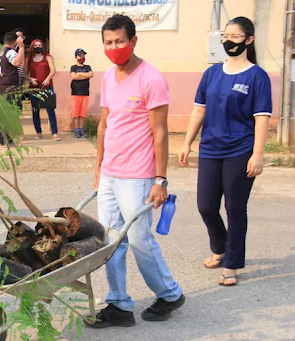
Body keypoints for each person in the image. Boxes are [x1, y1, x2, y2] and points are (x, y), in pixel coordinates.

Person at [89, 14, 184, 329]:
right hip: (110, 174)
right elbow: (105, 125)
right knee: (109, 241)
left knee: (140, 240)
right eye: (108, 42)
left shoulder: (151, 79)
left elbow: (160, 132)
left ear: (133, 41)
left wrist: (160, 179)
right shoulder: (107, 77)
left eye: (119, 41)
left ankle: (169, 294)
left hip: (138, 175)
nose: (114, 47)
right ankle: (118, 304)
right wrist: (99, 167)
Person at [179, 17, 272, 287]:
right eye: (226, 36)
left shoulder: (257, 76)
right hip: (210, 148)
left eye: (235, 36)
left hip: (241, 150)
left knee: (235, 207)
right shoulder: (211, 73)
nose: (229, 41)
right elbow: (200, 108)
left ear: (249, 40)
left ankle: (231, 263)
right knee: (206, 206)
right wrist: (187, 142)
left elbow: (262, 117)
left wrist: (258, 154)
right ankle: (220, 247)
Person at [0, 31, 25, 146]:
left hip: (1, 87)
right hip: (10, 88)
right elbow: (17, 62)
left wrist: (0, 79)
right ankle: (9, 140)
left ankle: (2, 139)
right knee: (10, 114)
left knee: (2, 114)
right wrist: (21, 47)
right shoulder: (10, 52)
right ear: (14, 42)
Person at [26, 39, 61, 141]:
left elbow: (53, 70)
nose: (38, 47)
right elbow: (24, 73)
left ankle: (54, 133)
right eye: (35, 45)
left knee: (50, 110)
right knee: (35, 111)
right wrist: (30, 79)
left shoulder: (48, 57)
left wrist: (47, 79)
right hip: (34, 89)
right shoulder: (29, 59)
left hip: (47, 87)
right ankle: (38, 132)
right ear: (32, 47)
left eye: (39, 45)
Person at [70, 48, 93, 138]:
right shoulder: (73, 67)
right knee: (76, 112)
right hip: (75, 92)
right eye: (80, 55)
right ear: (76, 57)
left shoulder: (87, 67)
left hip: (85, 93)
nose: (82, 57)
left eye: (83, 55)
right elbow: (73, 77)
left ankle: (81, 129)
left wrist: (79, 74)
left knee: (82, 112)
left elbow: (91, 74)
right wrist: (84, 75)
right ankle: (76, 129)